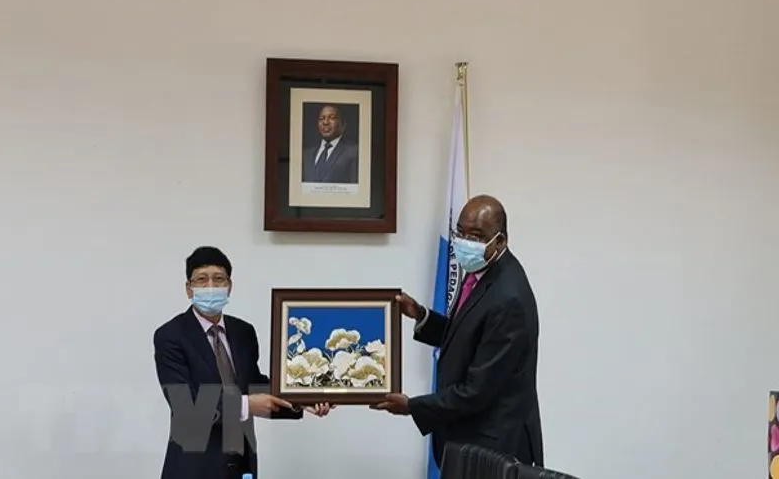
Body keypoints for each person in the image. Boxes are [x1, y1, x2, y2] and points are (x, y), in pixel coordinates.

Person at [370, 195, 544, 467]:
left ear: (500, 241)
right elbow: (468, 337)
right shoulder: (483, 270)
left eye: (475, 236)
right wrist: (421, 314)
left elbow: (477, 391)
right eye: (460, 232)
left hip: (494, 448)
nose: (464, 242)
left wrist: (412, 407)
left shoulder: (509, 298)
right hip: (469, 438)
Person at [154, 246, 332, 479]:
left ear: (229, 286)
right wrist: (247, 405)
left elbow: (254, 385)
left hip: (241, 464)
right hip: (194, 468)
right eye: (201, 279)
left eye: (219, 279)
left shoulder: (243, 332)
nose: (210, 286)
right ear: (189, 289)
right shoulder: (170, 336)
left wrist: (302, 398)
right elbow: (186, 407)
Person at [301, 104, 359, 184]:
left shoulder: (354, 152)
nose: (325, 122)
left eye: (332, 118)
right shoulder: (306, 154)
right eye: (321, 118)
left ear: (343, 124)